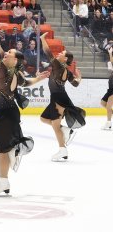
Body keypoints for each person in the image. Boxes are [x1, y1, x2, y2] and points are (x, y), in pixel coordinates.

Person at [0, 22, 50, 196]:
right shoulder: (14, 72)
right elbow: (27, 83)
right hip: (6, 113)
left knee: (0, 151)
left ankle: (3, 182)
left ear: (14, 60)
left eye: (9, 53)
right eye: (7, 52)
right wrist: (39, 79)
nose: (5, 53)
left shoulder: (4, 70)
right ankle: (11, 149)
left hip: (7, 114)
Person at [40, 32, 86, 162]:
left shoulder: (58, 66)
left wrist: (43, 39)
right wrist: (79, 77)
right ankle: (65, 130)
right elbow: (75, 84)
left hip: (59, 98)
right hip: (57, 97)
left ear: (65, 59)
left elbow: (47, 52)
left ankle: (62, 150)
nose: (59, 54)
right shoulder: (66, 70)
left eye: (62, 54)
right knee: (43, 118)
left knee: (55, 126)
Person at [101, 47, 113, 130]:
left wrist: (110, 53)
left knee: (108, 107)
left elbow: (112, 61)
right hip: (110, 89)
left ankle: (108, 124)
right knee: (102, 103)